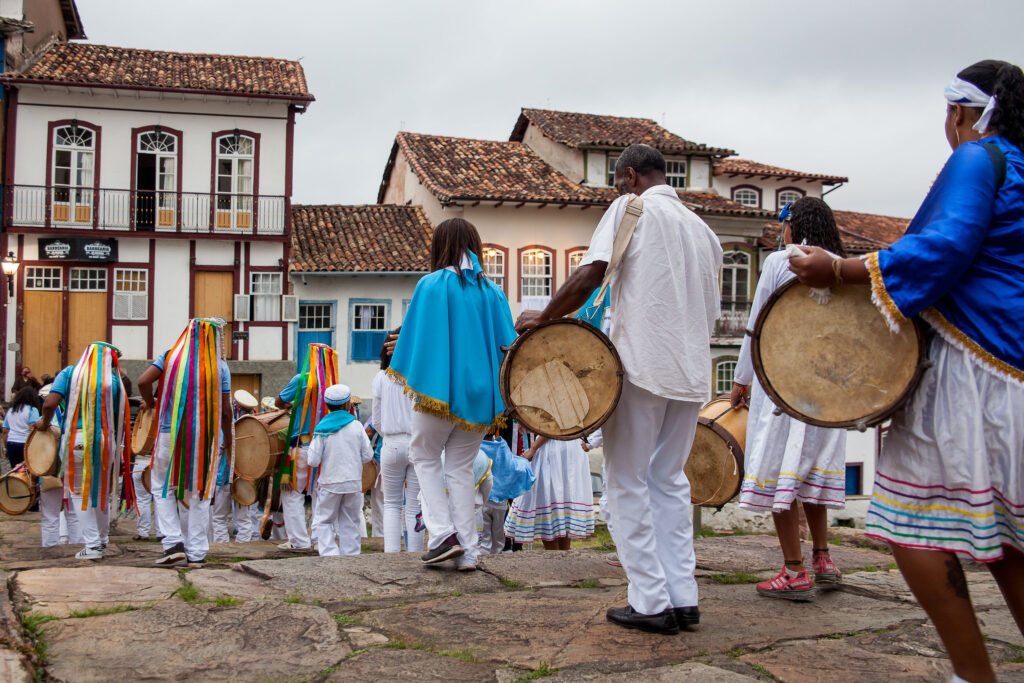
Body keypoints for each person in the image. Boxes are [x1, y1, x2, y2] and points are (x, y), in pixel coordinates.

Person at [789, 60, 1024, 683]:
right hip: (1015, 373)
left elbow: (944, 247)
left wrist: (838, 270)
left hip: (973, 369)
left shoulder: (979, 158)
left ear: (962, 112)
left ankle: (974, 677)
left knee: (913, 525)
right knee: (1008, 539)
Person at [516, 144, 722, 635]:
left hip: (642, 366)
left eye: (616, 181)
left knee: (626, 482)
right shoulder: (704, 230)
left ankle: (650, 601)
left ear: (628, 176)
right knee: (669, 481)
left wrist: (542, 319)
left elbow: (591, 273)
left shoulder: (631, 207)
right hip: (691, 372)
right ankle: (683, 596)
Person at [730, 197, 849, 600]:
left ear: (791, 226)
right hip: (825, 384)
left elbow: (758, 320)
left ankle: (794, 570)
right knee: (811, 472)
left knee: (782, 469)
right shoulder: (838, 264)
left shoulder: (781, 261)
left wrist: (742, 377)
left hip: (781, 376)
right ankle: (823, 557)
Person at [388, 218, 517, 571]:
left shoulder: (430, 285)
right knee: (460, 468)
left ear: (439, 246)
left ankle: (443, 534)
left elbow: (418, 342)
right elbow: (509, 346)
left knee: (425, 454)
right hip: (480, 398)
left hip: (441, 390)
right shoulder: (493, 292)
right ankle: (470, 553)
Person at [137, 318, 232, 567]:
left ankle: (172, 543)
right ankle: (197, 552)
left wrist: (153, 403)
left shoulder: (170, 357)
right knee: (200, 492)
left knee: (163, 487)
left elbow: (143, 381)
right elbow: (225, 411)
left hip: (169, 434)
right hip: (206, 438)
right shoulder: (220, 366)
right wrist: (229, 440)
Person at [35, 343, 130, 560]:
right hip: (106, 440)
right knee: (101, 490)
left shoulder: (69, 373)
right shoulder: (114, 381)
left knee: (78, 491)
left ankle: (93, 544)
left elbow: (50, 404)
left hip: (77, 438)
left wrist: (44, 422)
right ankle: (103, 539)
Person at [274, 343, 340, 551]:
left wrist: (292, 405)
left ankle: (299, 541)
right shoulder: (333, 383)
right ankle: (320, 539)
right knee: (320, 492)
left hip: (301, 447)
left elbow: (278, 401)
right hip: (327, 446)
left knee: (292, 493)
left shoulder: (302, 380)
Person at [372, 328, 423, 553]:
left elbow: (376, 420)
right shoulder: (421, 376)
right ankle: (415, 554)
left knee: (391, 504)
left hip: (391, 443)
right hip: (418, 444)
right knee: (415, 506)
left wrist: (390, 435)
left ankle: (391, 554)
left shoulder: (381, 377)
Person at [307, 384, 373, 556]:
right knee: (351, 521)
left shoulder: (321, 429)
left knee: (324, 520)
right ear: (347, 404)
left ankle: (329, 554)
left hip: (330, 483)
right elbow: (367, 455)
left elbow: (313, 461)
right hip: (353, 482)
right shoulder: (357, 426)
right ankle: (351, 555)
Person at [504, 434, 595, 550]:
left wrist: (533, 448)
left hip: (553, 446)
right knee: (565, 502)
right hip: (574, 448)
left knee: (548, 499)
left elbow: (552, 424)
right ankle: (564, 554)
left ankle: (555, 557)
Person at [3, 386, 42, 469]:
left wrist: (6, 446)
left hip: (11, 443)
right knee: (28, 471)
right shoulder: (32, 410)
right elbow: (34, 429)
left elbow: (5, 430)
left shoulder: (11, 410)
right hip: (26, 443)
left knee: (15, 471)